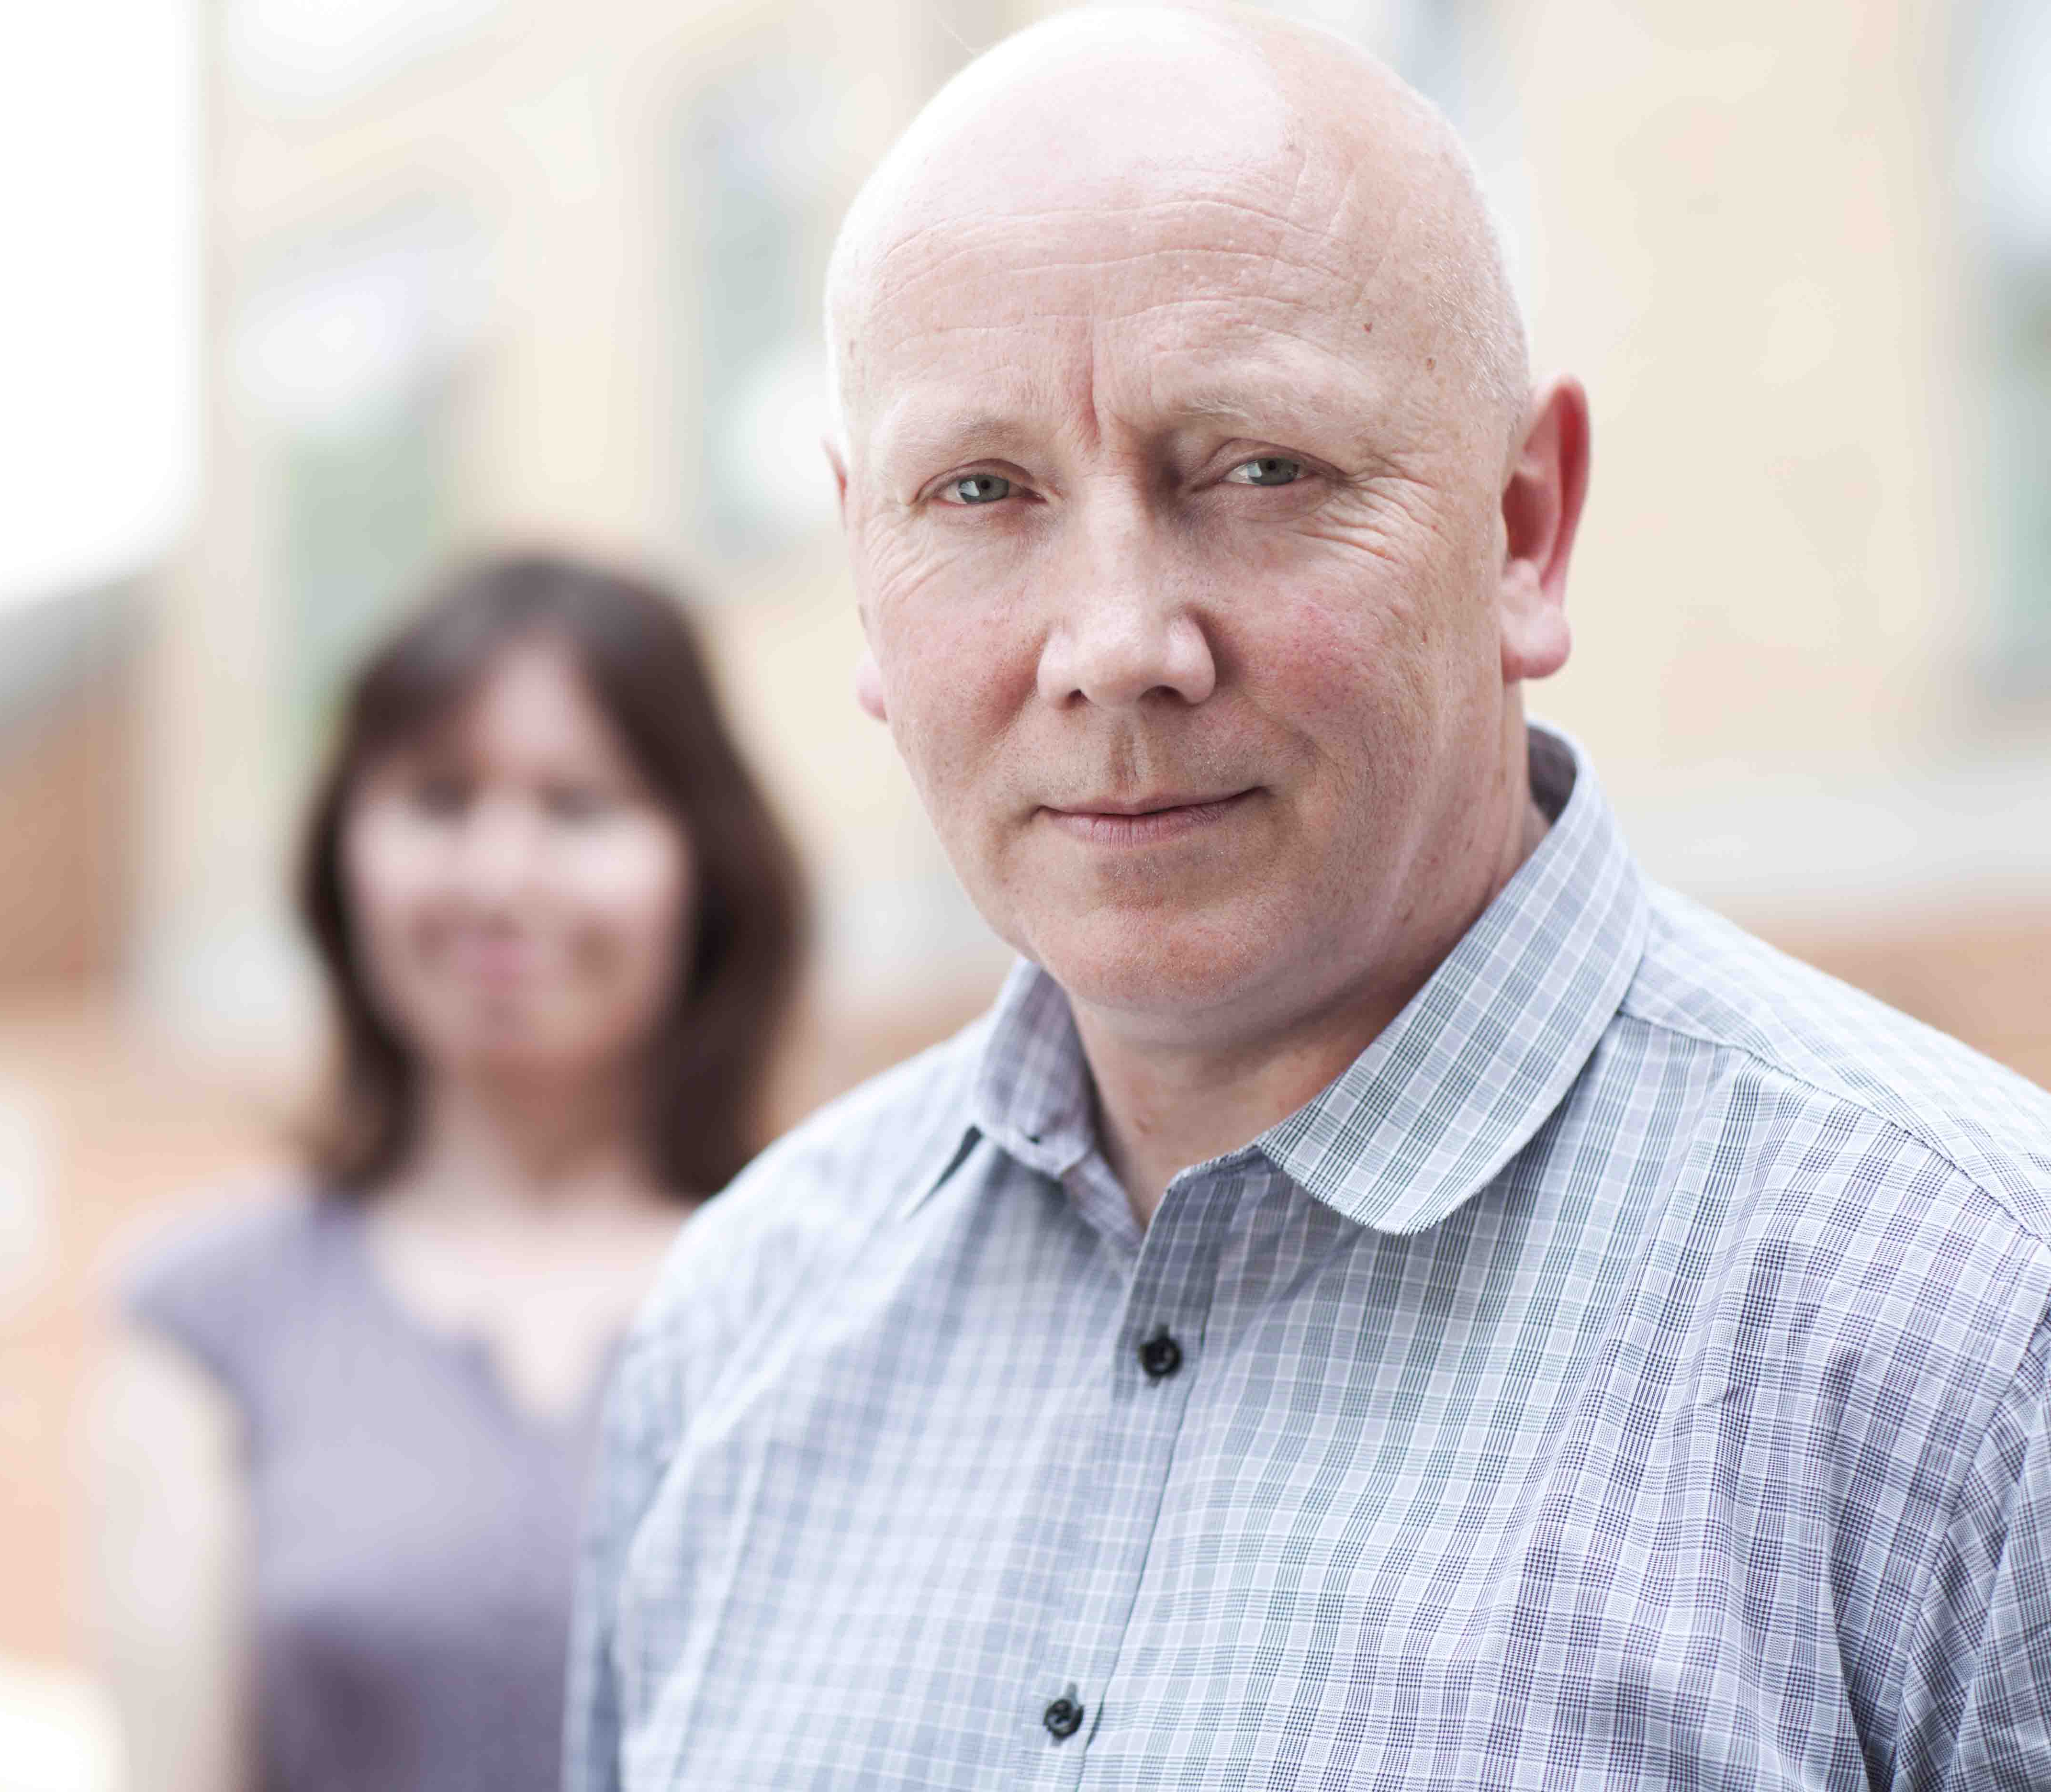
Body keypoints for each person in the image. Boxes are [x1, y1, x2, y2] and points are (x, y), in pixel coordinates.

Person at [565, 9, 2051, 1791]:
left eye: (1261, 470)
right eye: (980, 491)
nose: (1119, 647)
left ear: (1523, 530)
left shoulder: (1975, 1355)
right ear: (864, 571)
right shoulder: (734, 1332)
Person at [86, 553, 803, 1792]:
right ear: (341, 862)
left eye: (579, 806)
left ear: (707, 866)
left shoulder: (837, 1287)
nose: (499, 879)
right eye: (437, 800)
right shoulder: (206, 1319)